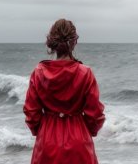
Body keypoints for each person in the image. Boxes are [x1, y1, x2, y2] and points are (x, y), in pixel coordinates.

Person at [23, 18, 105, 164]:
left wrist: (41, 131)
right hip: (79, 142)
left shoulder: (39, 72)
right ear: (74, 42)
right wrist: (88, 131)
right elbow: (95, 115)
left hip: (47, 142)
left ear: (52, 43)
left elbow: (31, 113)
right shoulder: (85, 73)